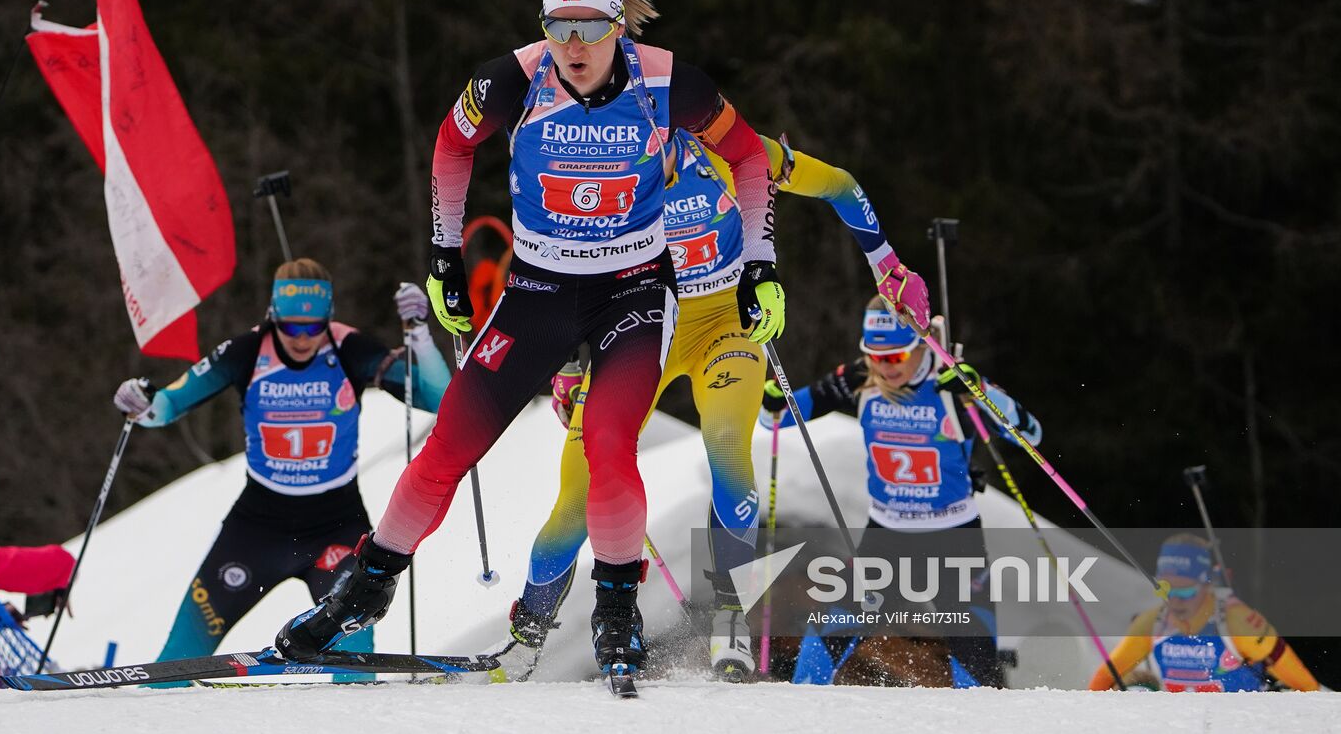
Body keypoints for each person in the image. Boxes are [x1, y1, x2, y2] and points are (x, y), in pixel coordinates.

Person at [275, 0, 789, 678]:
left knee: (608, 450)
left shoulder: (669, 82)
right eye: (558, 26)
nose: (573, 46)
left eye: (589, 26)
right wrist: (445, 257)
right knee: (448, 447)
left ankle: (617, 614)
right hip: (538, 293)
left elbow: (749, 159)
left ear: (618, 24)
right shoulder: (510, 78)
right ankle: (362, 591)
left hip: (634, 295)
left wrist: (760, 264)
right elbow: (452, 147)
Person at [491, 131, 931, 682]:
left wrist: (888, 265)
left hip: (725, 324)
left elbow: (841, 186)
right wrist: (566, 366)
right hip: (641, 325)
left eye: (657, 135)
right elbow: (560, 270)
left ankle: (730, 617)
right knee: (579, 495)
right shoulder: (598, 168)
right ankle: (526, 638)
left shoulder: (730, 153)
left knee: (726, 442)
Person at [113, 258, 449, 676]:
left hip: (337, 527)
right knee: (178, 659)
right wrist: (141, 403)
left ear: (328, 318)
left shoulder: (348, 348)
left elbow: (439, 399)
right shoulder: (247, 351)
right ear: (273, 316)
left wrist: (420, 336)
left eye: (314, 327)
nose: (303, 338)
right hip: (256, 529)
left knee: (355, 666)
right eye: (291, 327)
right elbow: (165, 406)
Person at [760, 302, 1042, 686]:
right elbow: (776, 417)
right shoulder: (863, 379)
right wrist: (773, 402)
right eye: (875, 356)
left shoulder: (950, 384)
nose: (886, 367)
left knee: (976, 673)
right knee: (821, 644)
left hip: (954, 541)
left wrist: (981, 394)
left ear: (922, 346)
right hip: (885, 540)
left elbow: (1032, 435)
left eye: (896, 355)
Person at [1087, 534, 1320, 692]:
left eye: (1186, 590)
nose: (1175, 600)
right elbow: (1103, 680)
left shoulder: (1237, 622)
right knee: (1137, 685)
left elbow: (1308, 690)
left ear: (1207, 585)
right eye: (1166, 589)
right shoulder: (1152, 623)